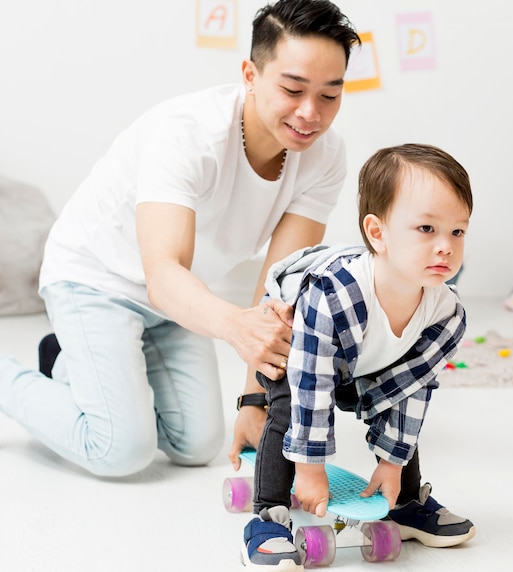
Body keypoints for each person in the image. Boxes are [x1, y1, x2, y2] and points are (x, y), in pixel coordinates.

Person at [0, 0, 360, 477]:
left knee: (196, 445)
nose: (310, 113)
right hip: (96, 278)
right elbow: (163, 274)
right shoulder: (189, 134)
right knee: (119, 449)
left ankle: (72, 364)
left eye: (329, 96)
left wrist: (255, 402)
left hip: (177, 300)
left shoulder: (325, 157)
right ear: (250, 75)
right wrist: (235, 326)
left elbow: (279, 288)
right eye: (292, 89)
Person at [235, 143, 476, 572]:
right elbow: (312, 385)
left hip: (364, 361)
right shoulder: (333, 295)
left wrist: (392, 464)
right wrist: (308, 471)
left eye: (457, 232)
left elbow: (411, 388)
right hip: (297, 348)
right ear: (377, 233)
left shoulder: (447, 314)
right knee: (289, 407)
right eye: (426, 228)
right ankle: (266, 517)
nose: (446, 247)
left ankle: (406, 505)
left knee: (400, 404)